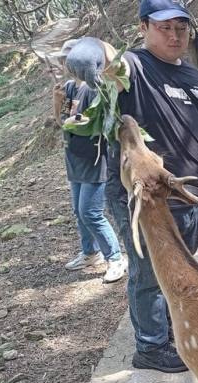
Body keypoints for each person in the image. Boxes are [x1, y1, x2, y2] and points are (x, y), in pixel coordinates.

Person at [63, 0, 198, 373]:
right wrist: (92, 46)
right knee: (149, 274)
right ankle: (151, 348)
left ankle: (172, 329)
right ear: (144, 28)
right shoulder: (136, 68)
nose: (174, 36)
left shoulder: (192, 76)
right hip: (146, 199)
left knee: (181, 269)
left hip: (191, 195)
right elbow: (112, 61)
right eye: (164, 27)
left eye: (181, 28)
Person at [51, 46, 127, 284]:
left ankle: (115, 258)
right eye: (65, 60)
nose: (66, 64)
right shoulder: (70, 88)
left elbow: (105, 122)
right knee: (79, 211)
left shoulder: (97, 87)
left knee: (90, 212)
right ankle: (90, 253)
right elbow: (62, 121)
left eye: (69, 60)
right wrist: (57, 101)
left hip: (95, 159)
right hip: (74, 158)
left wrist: (80, 122)